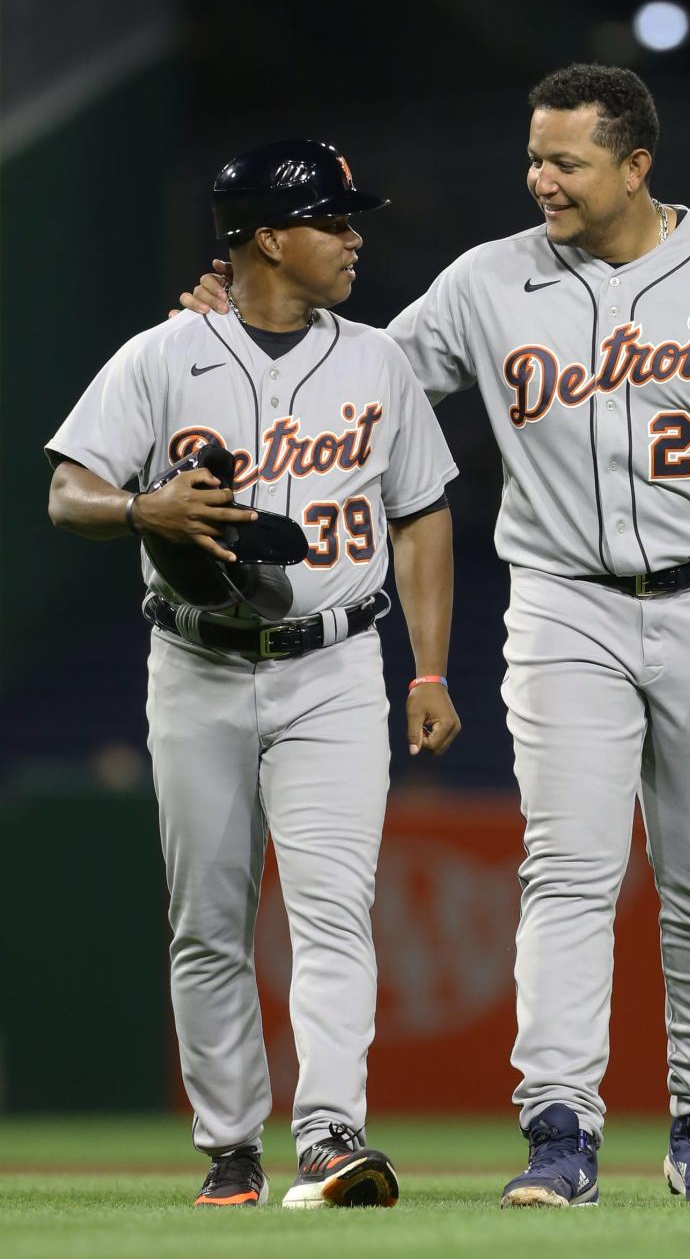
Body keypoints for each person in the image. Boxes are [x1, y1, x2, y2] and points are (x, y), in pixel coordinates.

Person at [182, 65, 690, 1207]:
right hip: (561, 600)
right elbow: (357, 382)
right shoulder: (488, 282)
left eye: (567, 162)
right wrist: (241, 330)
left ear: (637, 165)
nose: (540, 178)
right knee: (567, 868)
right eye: (535, 157)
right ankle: (561, 1133)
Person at [48, 139, 461, 1210]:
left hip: (336, 663)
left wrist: (430, 671)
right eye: (333, 219)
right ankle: (232, 1144)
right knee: (209, 915)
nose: (355, 235)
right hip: (195, 661)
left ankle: (329, 1133)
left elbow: (420, 515)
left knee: (334, 910)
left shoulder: (377, 360)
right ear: (268, 238)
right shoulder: (164, 354)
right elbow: (68, 492)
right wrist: (143, 507)